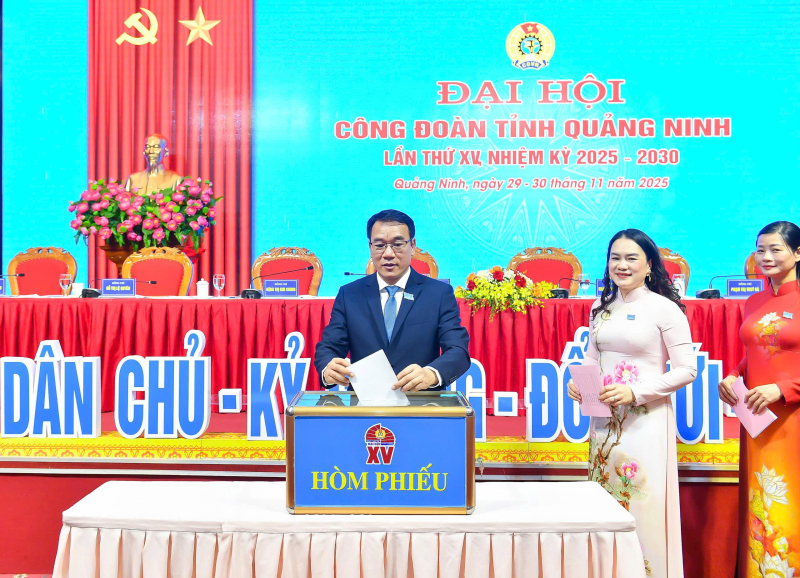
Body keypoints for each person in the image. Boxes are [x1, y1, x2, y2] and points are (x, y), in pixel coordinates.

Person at [567, 229, 696, 578]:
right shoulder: (600, 307)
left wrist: (635, 393)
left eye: (631, 258)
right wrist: (580, 384)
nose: (621, 265)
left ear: (649, 265)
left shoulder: (665, 309)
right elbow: (592, 357)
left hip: (645, 423)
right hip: (604, 423)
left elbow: (687, 370)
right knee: (604, 502)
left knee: (642, 503)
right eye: (615, 258)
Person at [718, 221, 800, 578]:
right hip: (757, 418)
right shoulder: (754, 301)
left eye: (775, 249)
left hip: (793, 419)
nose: (766, 257)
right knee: (760, 501)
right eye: (760, 250)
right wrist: (734, 375)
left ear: (798, 253)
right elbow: (755, 351)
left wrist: (783, 389)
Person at [315, 209, 470, 392]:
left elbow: (458, 350)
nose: (388, 254)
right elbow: (329, 347)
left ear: (412, 245)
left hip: (422, 401)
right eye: (379, 245)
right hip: (364, 404)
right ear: (370, 247)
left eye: (397, 244)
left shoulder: (438, 294)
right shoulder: (349, 294)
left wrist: (431, 375)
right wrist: (327, 369)